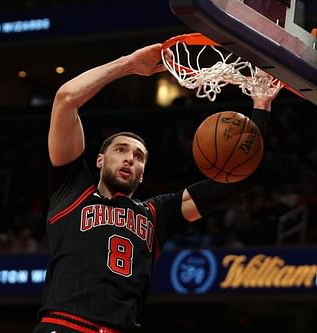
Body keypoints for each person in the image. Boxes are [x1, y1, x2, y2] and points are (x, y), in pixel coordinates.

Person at [33, 42, 278, 333]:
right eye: (120, 150)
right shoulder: (71, 190)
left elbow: (238, 180)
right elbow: (66, 99)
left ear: (142, 173)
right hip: (64, 326)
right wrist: (128, 64)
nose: (129, 158)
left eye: (138, 157)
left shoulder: (156, 213)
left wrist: (261, 106)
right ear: (99, 159)